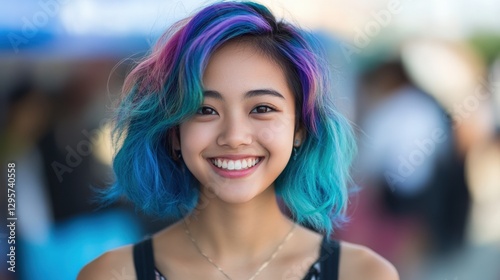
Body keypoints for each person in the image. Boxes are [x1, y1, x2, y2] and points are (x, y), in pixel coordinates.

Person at [78, 2, 398, 279]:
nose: (234, 137)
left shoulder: (363, 274)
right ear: (174, 132)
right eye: (205, 109)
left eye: (261, 108)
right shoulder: (111, 275)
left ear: (299, 128)